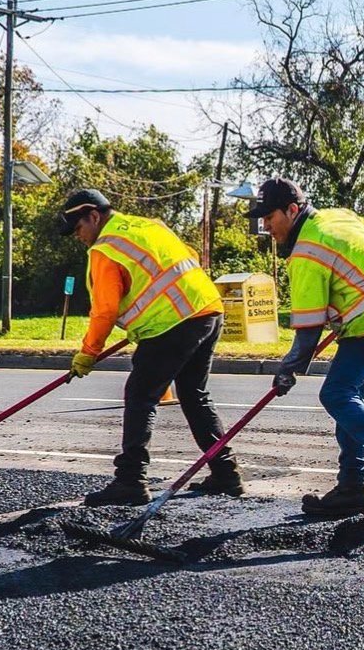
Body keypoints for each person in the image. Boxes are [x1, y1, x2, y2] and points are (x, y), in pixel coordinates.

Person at [248, 177, 364, 517]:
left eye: (269, 217)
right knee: (349, 402)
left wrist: (287, 370)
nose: (266, 226)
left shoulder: (305, 254)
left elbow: (307, 334)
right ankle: (351, 488)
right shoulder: (337, 216)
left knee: (336, 395)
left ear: (292, 210)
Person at [60, 188, 244, 505]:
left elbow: (104, 310)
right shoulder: (149, 225)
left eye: (78, 229)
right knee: (194, 395)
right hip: (208, 310)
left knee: (140, 396)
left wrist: (88, 354)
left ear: (93, 215)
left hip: (171, 324)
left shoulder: (105, 249)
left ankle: (131, 481)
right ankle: (226, 474)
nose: (79, 237)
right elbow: (186, 258)